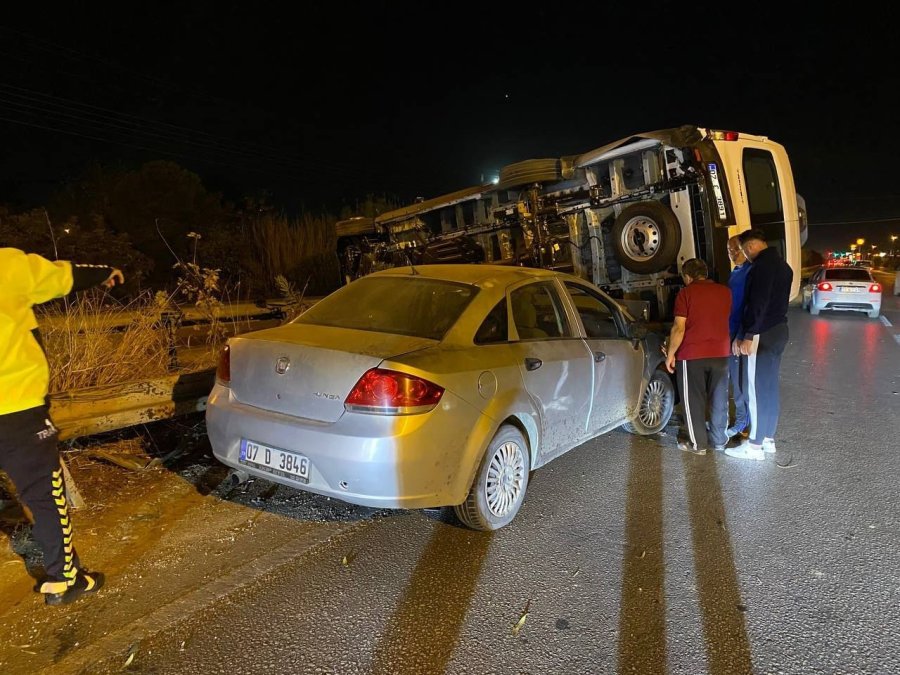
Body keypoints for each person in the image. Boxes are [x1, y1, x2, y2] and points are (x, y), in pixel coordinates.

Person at [0, 247, 123, 605]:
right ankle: (64, 580)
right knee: (44, 495)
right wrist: (105, 270)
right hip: (17, 410)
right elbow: (63, 276)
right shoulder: (8, 265)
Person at [724, 229, 793, 461]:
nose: (744, 254)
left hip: (761, 333)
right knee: (770, 388)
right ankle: (767, 439)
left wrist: (748, 334)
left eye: (743, 250)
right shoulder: (784, 266)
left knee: (754, 390)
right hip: (779, 330)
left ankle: (753, 446)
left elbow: (757, 303)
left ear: (751, 246)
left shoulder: (761, 267)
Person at [664, 258, 732, 455]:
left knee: (693, 400)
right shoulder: (725, 292)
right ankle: (719, 441)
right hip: (721, 353)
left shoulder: (686, 293)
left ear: (687, 276)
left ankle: (698, 444)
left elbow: (679, 327)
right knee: (719, 398)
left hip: (692, 354)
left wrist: (671, 354)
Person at [725, 235, 751, 440]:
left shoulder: (751, 272)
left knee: (741, 380)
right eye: (729, 250)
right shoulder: (736, 272)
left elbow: (749, 307)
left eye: (735, 249)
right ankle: (736, 418)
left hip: (740, 335)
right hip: (730, 331)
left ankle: (743, 421)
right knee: (733, 378)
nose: (732, 254)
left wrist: (741, 336)